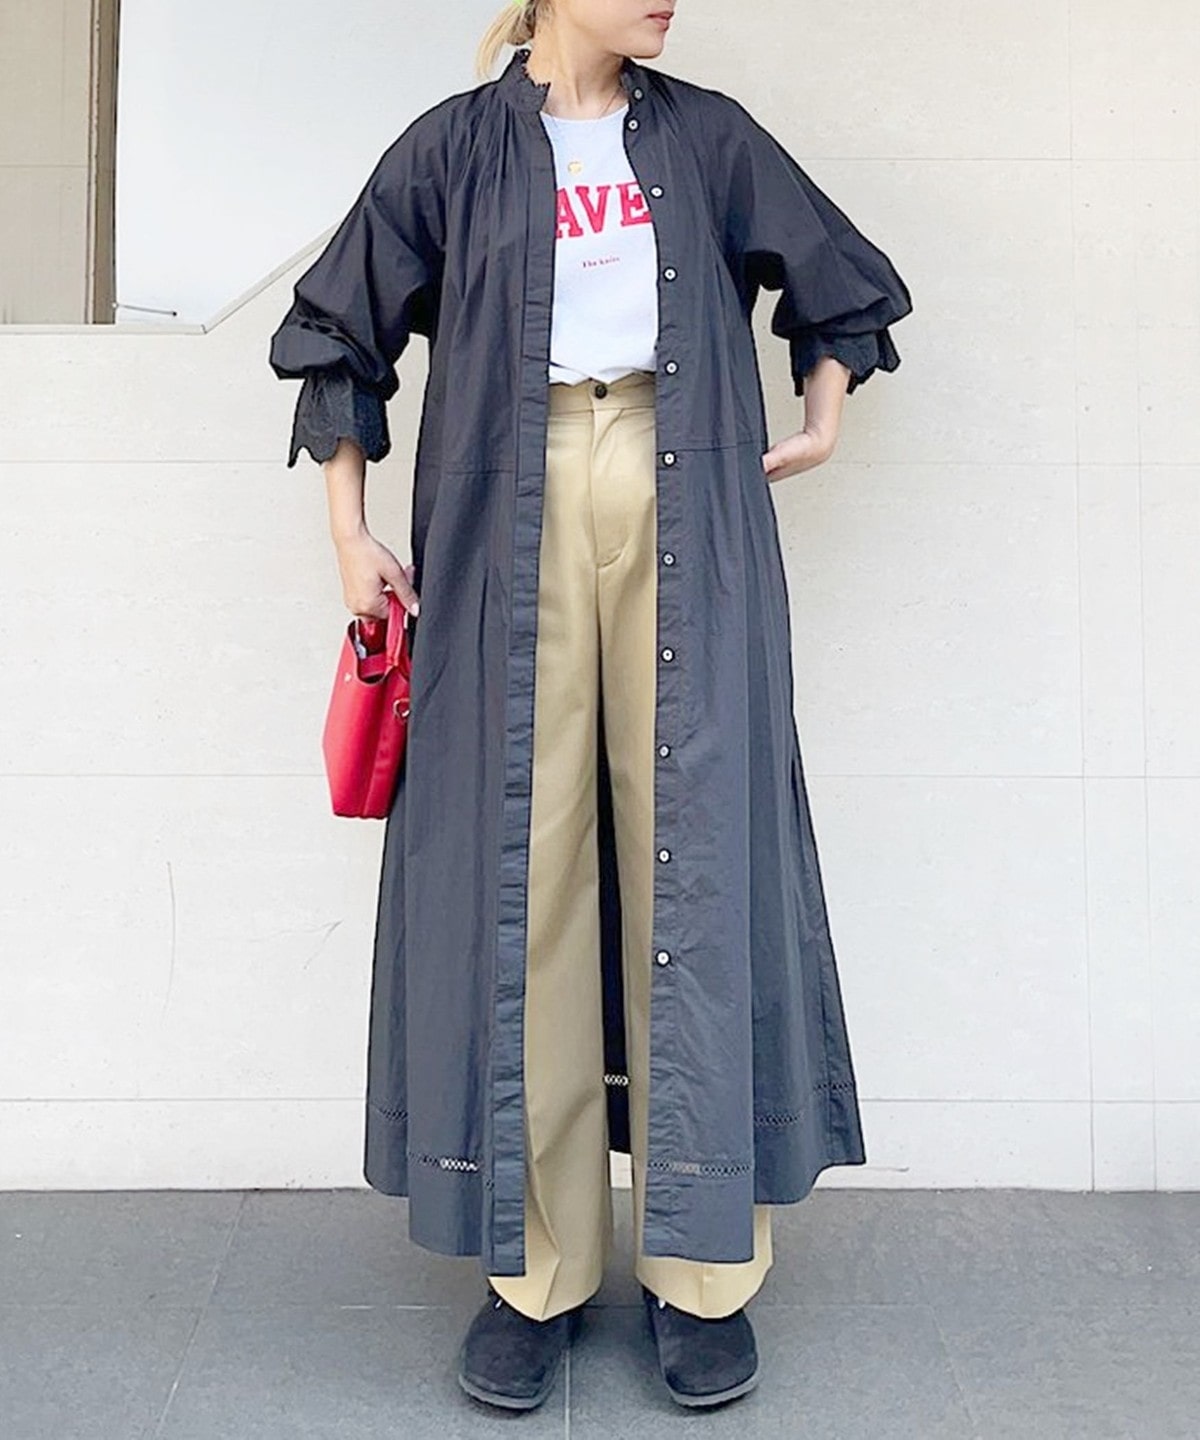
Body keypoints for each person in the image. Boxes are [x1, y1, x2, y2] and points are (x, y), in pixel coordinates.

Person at [268, 0, 912, 1413]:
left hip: (690, 491)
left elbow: (839, 284)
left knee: (697, 860)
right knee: (531, 869)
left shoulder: (711, 141)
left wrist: (822, 417)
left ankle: (702, 1273)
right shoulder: (453, 152)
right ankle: (538, 1276)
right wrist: (349, 533)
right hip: (511, 500)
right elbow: (337, 330)